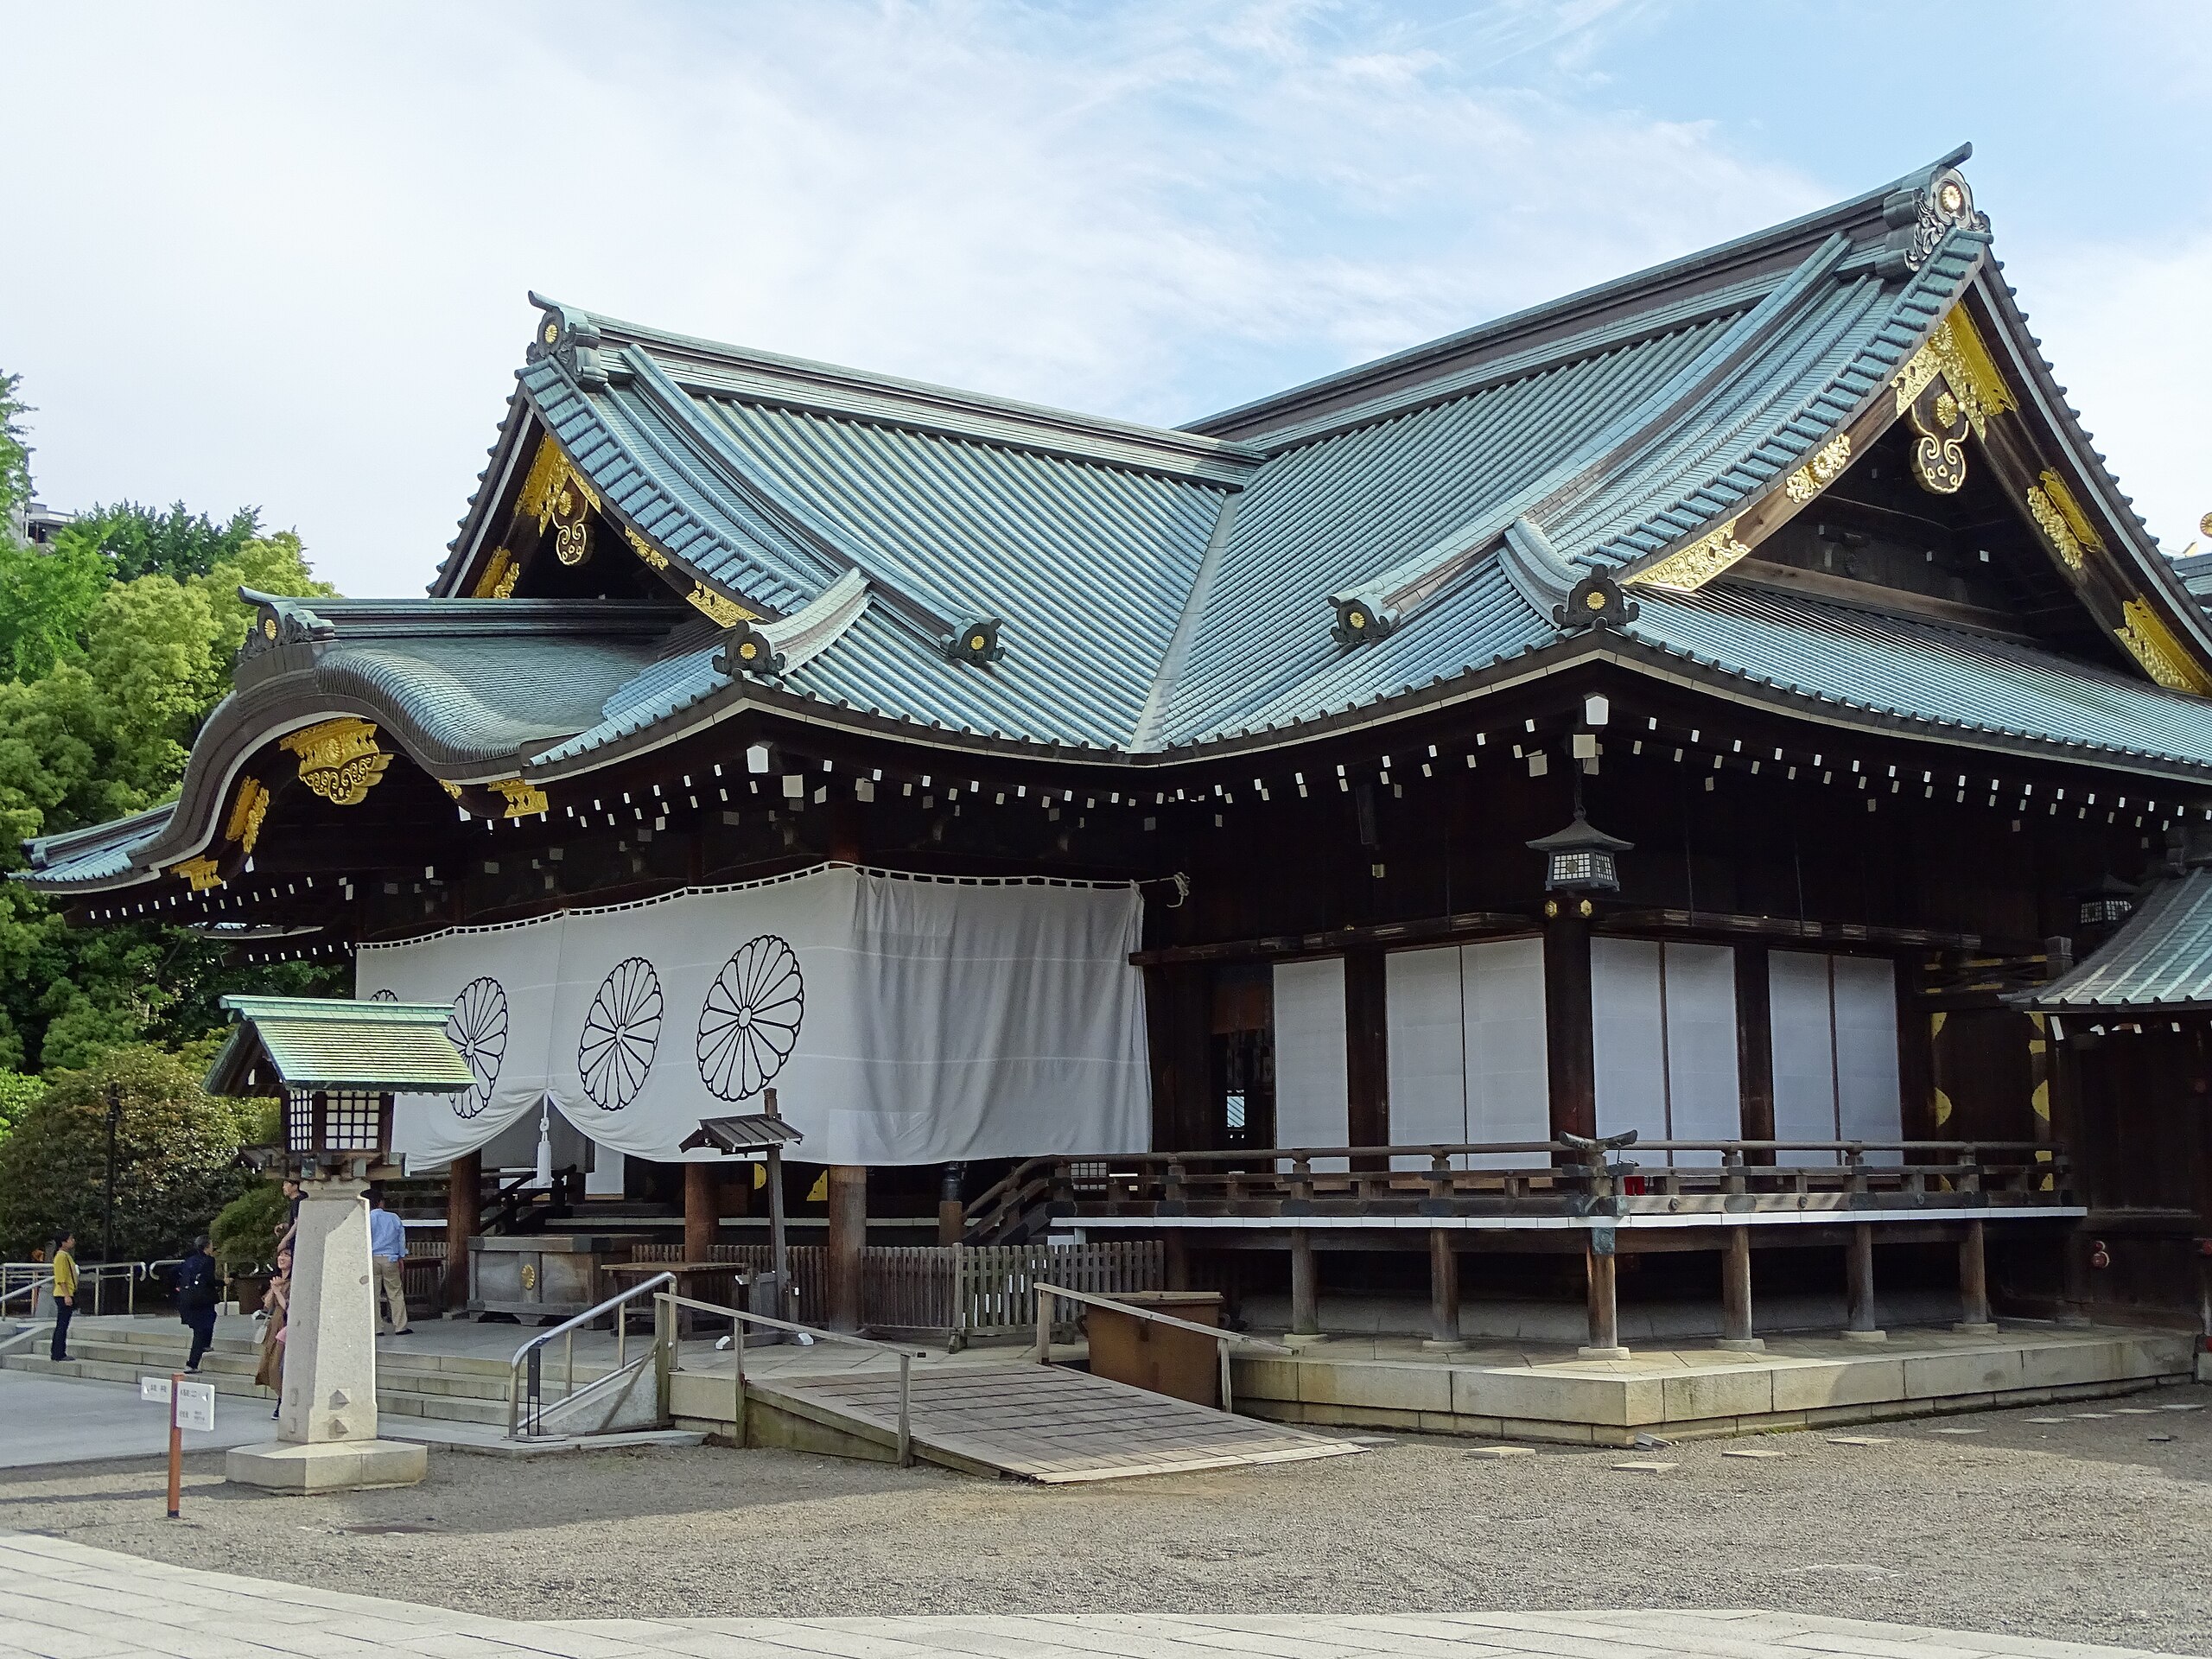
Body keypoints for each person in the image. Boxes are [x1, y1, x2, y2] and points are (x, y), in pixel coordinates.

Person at [367, 1190, 413, 1337]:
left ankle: (376, 1328)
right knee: (395, 1292)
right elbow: (401, 1239)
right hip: (390, 1258)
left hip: (371, 1258)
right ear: (381, 1202)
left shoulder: (366, 1219)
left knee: (372, 1294)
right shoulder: (393, 1218)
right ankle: (400, 1327)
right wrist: (401, 1256)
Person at [174, 1236, 219, 1372]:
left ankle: (206, 1344)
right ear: (207, 1247)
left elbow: (175, 1273)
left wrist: (179, 1286)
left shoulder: (189, 1260)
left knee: (209, 1318)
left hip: (187, 1299)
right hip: (201, 1300)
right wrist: (224, 1282)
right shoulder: (209, 1261)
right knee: (200, 1330)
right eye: (211, 1245)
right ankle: (192, 1364)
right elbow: (209, 1280)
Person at [255, 1246, 291, 1417]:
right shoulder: (277, 1278)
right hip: (274, 1325)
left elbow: (289, 1307)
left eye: (286, 1255)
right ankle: (280, 1399)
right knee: (270, 1364)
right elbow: (267, 1304)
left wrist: (278, 1290)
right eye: (280, 1255)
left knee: (279, 1365)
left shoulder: (294, 1281)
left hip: (285, 1325)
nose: (282, 1258)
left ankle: (283, 1402)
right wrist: (273, 1288)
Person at [48, 1232, 77, 1362]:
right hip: (63, 1294)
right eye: (70, 1239)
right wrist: (66, 1295)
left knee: (63, 1324)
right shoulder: (61, 1256)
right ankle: (58, 1353)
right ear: (63, 1242)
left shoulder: (65, 1256)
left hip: (67, 1293)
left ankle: (59, 1352)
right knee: (62, 1324)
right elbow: (60, 1278)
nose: (73, 1241)